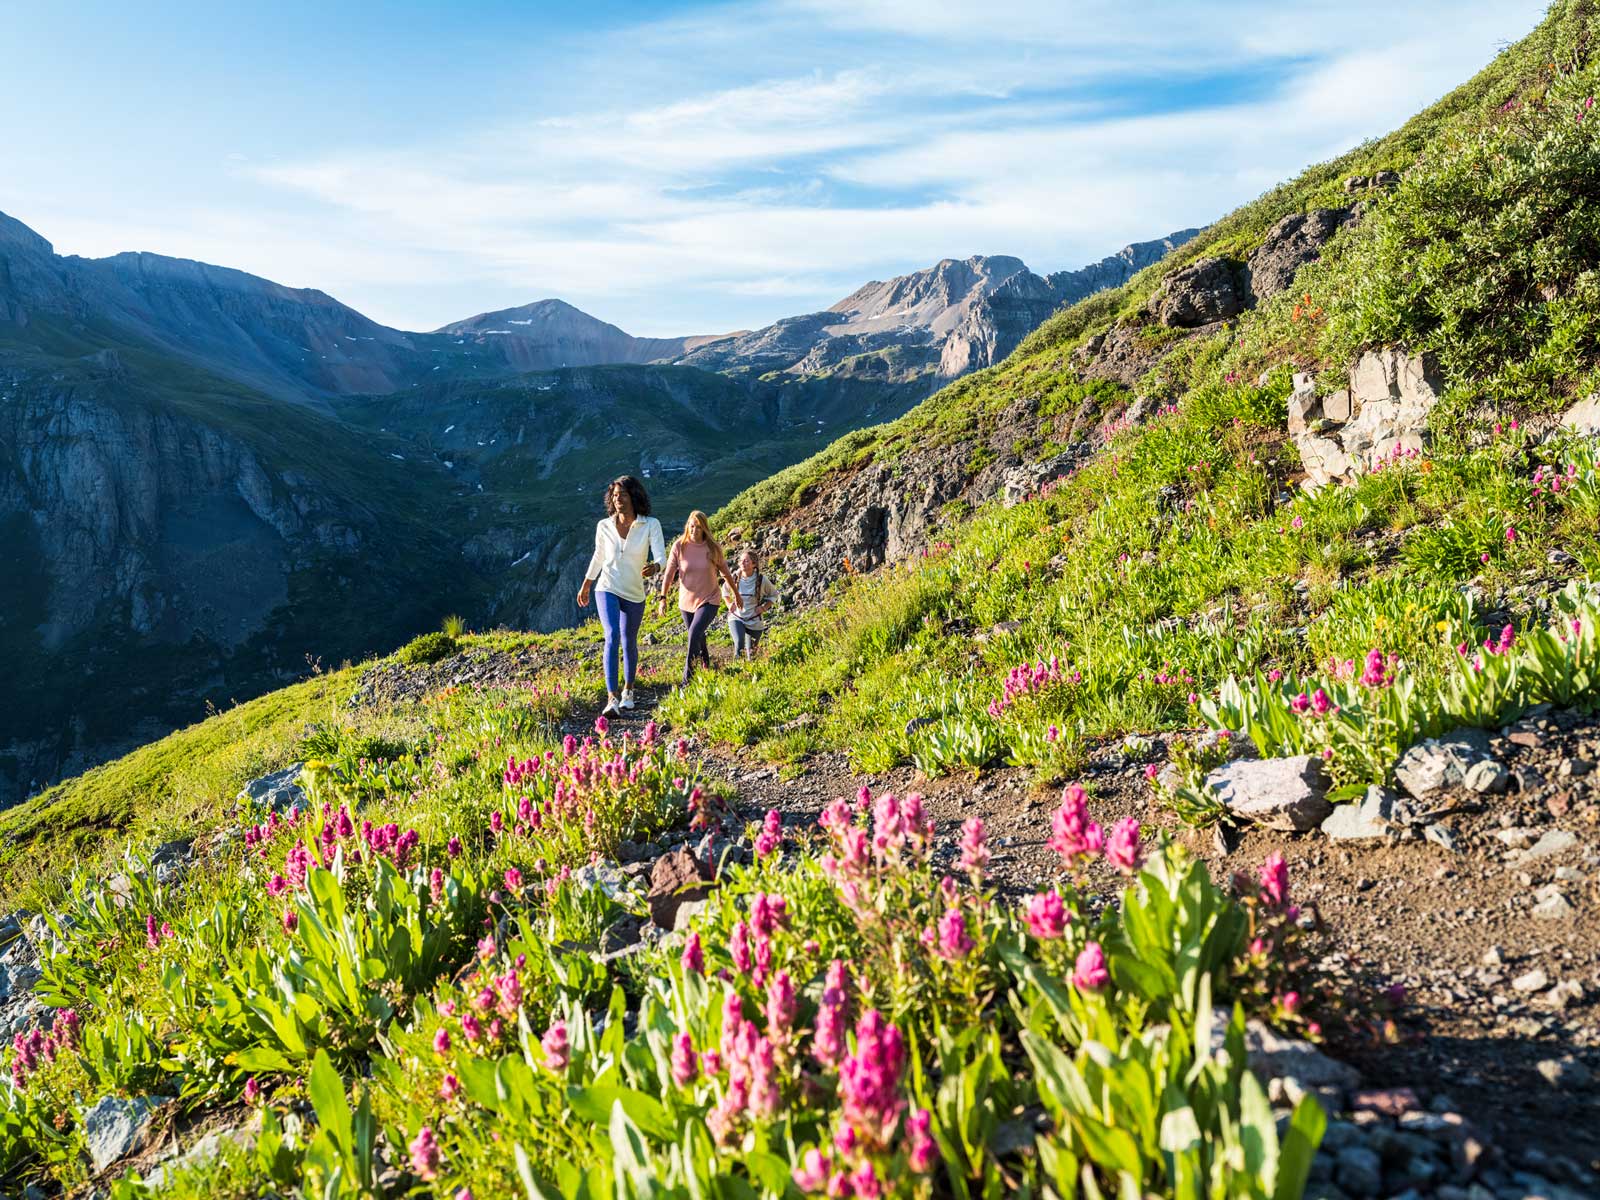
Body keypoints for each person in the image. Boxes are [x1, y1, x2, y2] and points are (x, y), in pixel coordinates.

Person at [576, 475, 665, 715]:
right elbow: (598, 556)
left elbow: (661, 557)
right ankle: (612, 698)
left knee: (629, 641)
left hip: (635, 591)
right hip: (607, 586)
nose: (617, 500)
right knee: (612, 635)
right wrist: (586, 584)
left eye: (622, 495)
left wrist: (655, 567)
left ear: (634, 497)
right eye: (614, 496)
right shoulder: (604, 526)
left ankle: (628, 691)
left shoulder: (650, 525)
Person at [659, 510, 739, 688]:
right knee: (698, 636)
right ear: (688, 525)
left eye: (698, 527)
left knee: (693, 634)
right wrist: (662, 597)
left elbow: (726, 573)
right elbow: (669, 574)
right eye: (691, 526)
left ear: (704, 529)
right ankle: (706, 663)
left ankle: (687, 681)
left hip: (709, 599)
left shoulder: (712, 548)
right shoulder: (679, 546)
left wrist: (737, 595)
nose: (694, 529)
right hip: (686, 602)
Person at [723, 548, 779, 660]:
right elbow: (724, 591)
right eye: (741, 561)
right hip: (737, 616)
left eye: (746, 561)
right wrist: (729, 604)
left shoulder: (761, 580)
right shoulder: (734, 577)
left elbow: (774, 594)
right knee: (739, 643)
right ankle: (736, 672)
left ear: (754, 564)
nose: (742, 563)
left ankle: (750, 673)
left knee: (752, 654)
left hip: (754, 619)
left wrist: (764, 608)